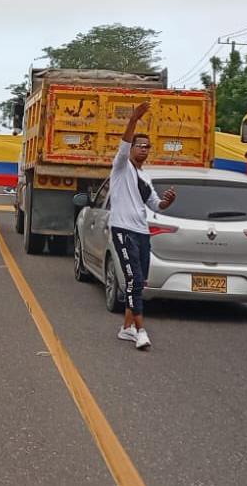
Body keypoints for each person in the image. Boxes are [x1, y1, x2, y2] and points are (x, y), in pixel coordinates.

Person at [108, 101, 177, 350]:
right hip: (123, 230)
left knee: (140, 282)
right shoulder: (121, 167)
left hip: (141, 232)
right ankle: (141, 331)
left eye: (148, 147)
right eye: (140, 146)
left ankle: (126, 328)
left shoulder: (145, 177)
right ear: (131, 148)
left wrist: (167, 202)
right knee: (133, 280)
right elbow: (124, 145)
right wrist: (133, 120)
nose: (144, 150)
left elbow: (155, 205)